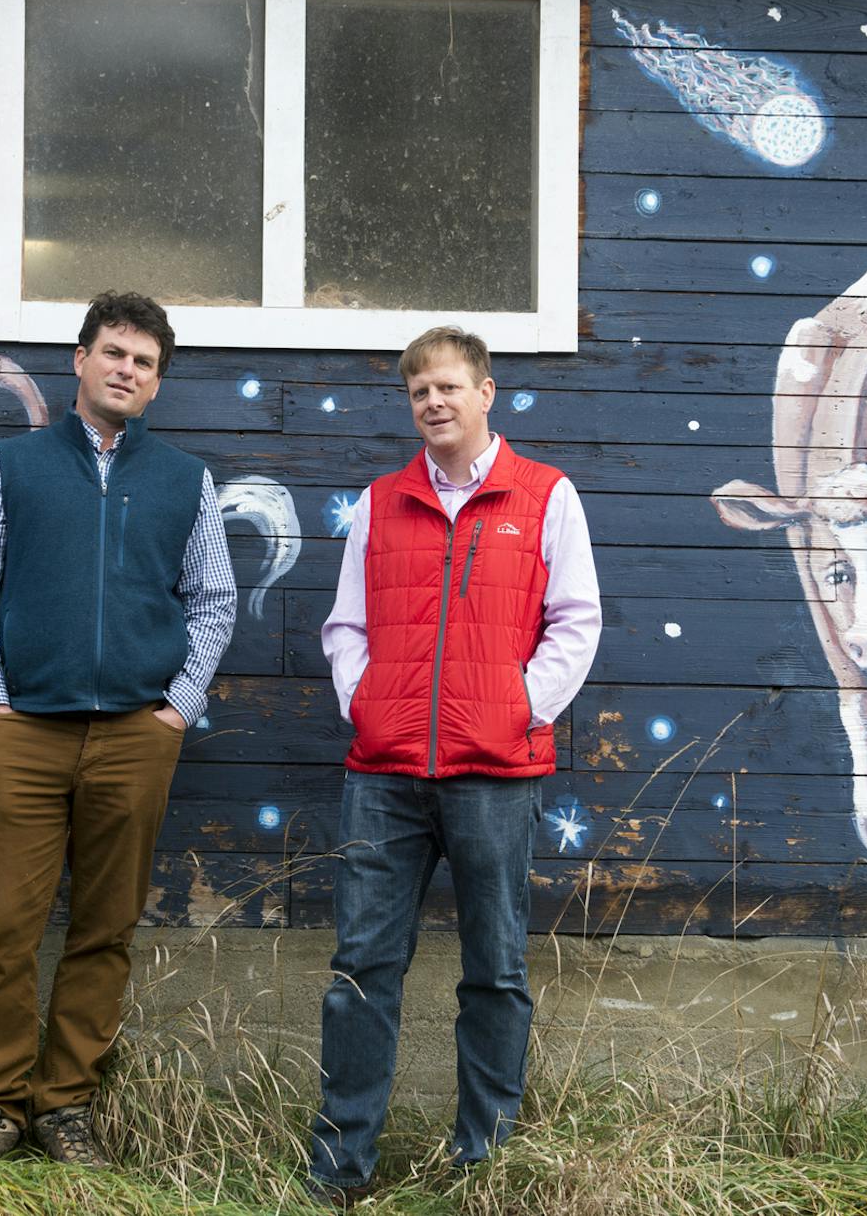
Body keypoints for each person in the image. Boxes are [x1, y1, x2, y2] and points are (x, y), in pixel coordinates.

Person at [0, 291, 236, 1166]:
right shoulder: (11, 467)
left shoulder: (184, 480)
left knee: (105, 930)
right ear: (80, 359)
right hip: (23, 731)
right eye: (113, 352)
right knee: (3, 925)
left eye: (143, 362)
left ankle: (65, 1106)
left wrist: (176, 710)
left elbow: (214, 601)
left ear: (156, 382)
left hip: (136, 736)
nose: (125, 370)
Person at [309, 326, 601, 1202]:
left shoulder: (545, 495)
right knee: (362, 970)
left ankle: (483, 1165)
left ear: (485, 393)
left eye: (447, 387)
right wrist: (367, 702)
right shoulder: (379, 502)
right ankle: (340, 1168)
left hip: (495, 777)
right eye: (419, 392)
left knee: (496, 972)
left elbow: (576, 620)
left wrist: (519, 711)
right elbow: (345, 625)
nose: (433, 402)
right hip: (384, 776)